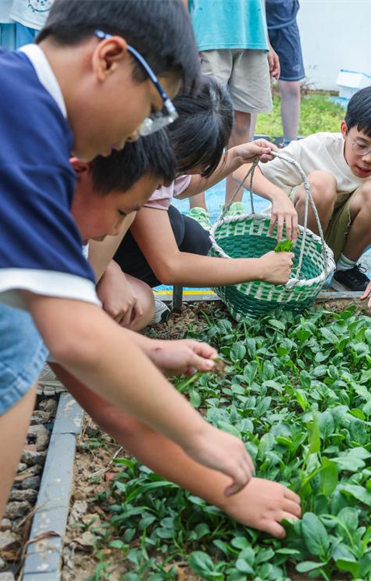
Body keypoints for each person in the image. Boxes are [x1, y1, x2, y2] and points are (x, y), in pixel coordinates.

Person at [0, 1, 254, 577]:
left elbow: (76, 345)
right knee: (6, 352)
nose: (141, 132)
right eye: (151, 110)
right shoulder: (19, 128)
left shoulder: (3, 102)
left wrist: (147, 351)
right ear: (107, 58)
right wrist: (202, 437)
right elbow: (73, 339)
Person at [59, 139, 302, 539]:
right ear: (77, 171)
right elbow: (92, 372)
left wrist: (151, 349)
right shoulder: (35, 250)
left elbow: (75, 337)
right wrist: (201, 441)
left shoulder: (51, 250)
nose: (117, 230)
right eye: (123, 211)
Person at [110, 79, 294, 326]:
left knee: (191, 236)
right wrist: (261, 268)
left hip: (92, 252)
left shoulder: (161, 145)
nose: (170, 180)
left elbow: (189, 185)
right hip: (70, 257)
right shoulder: (139, 171)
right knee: (140, 304)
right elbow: (170, 267)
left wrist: (236, 156)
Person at [232, 86, 371, 313]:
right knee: (321, 184)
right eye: (361, 145)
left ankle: (343, 270)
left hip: (336, 245)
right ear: (344, 130)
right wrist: (278, 196)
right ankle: (305, 268)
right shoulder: (316, 147)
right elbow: (240, 170)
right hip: (296, 238)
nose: (368, 159)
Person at [189, 0, 280, 219]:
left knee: (243, 124)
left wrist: (266, 41)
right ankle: (197, 206)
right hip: (206, 33)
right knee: (200, 119)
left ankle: (234, 207)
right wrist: (184, 36)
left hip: (251, 35)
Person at [266, 0, 304, 147]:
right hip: (254, 24)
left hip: (285, 21)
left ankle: (290, 147)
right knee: (256, 87)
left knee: (291, 87)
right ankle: (247, 144)